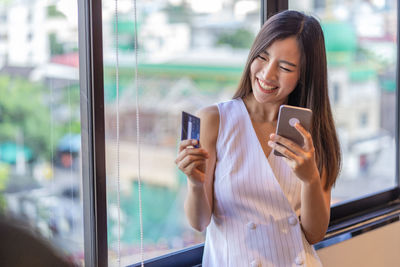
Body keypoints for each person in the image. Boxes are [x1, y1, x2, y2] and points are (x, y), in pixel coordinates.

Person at [175, 10, 341, 267]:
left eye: (285, 67)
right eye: (262, 57)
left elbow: (315, 233)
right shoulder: (215, 120)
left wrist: (310, 180)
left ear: (304, 76)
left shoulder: (313, 133)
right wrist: (195, 184)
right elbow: (199, 222)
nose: (267, 74)